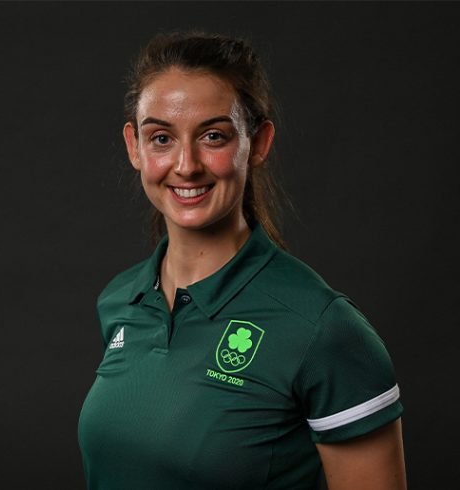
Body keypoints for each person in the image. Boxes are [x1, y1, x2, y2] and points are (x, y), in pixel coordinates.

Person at [77, 32, 405, 490]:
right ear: (135, 147)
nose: (186, 164)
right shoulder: (120, 300)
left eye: (213, 136)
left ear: (259, 142)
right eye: (161, 138)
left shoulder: (321, 329)